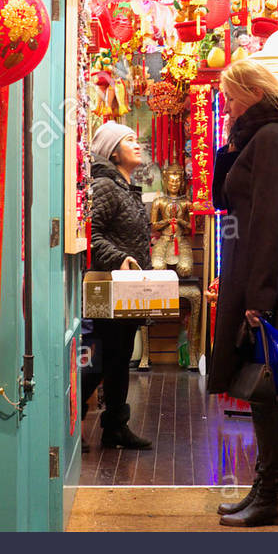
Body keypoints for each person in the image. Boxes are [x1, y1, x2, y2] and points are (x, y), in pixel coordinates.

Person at [208, 59, 278, 527]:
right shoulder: (260, 137)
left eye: (232, 97)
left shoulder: (273, 139)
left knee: (270, 386)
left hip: (260, 279)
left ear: (254, 93)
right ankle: (266, 488)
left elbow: (270, 222)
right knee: (261, 386)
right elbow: (224, 199)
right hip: (249, 274)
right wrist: (232, 147)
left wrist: (258, 296)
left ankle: (273, 494)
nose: (227, 106)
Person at [82, 121, 153, 450]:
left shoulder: (125, 186)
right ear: (112, 151)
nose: (136, 145)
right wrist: (119, 258)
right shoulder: (106, 186)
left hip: (128, 289)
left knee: (119, 356)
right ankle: (72, 424)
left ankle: (115, 427)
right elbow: (90, 234)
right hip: (109, 288)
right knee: (102, 359)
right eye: (128, 140)